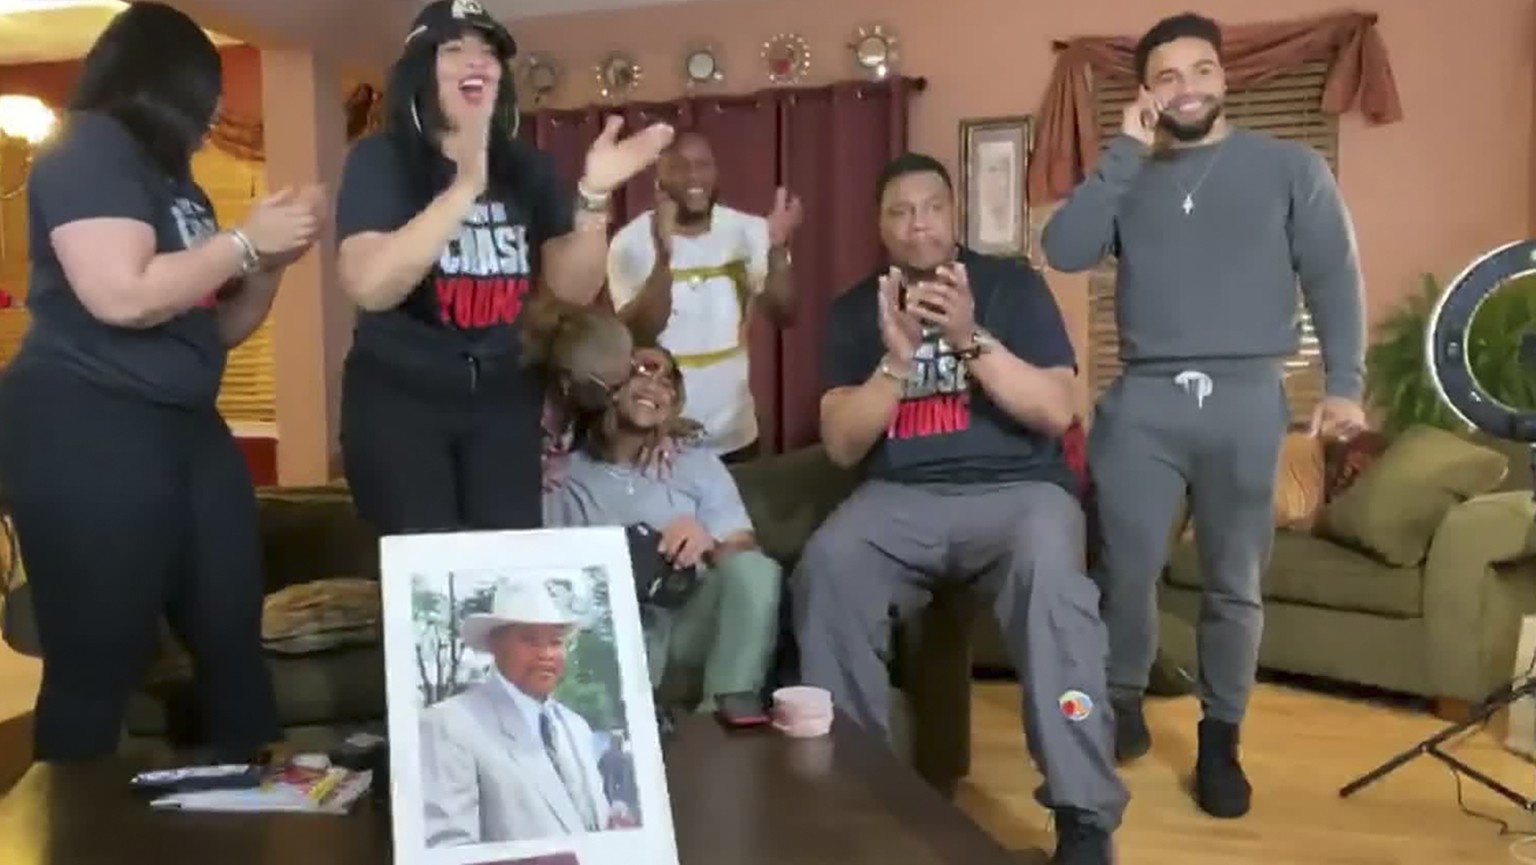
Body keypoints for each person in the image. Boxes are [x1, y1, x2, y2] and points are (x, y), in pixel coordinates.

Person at [1040, 12, 1367, 820]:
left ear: (1225, 78)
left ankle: (1221, 736)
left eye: (1202, 70)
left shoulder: (1289, 166)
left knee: (1234, 583)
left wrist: (1345, 381)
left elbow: (1333, 276)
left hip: (1249, 399)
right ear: (1146, 93)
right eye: (1168, 76)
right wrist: (1121, 151)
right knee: (1124, 569)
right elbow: (1066, 249)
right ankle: (1120, 703)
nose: (1188, 87)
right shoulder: (1126, 170)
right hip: (1143, 403)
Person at [0, 2, 323, 761]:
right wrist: (245, 242)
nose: (217, 110)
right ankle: (69, 833)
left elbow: (206, 329)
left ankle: (256, 814)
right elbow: (123, 293)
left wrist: (270, 259)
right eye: (210, 88)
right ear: (170, 80)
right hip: (85, 426)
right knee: (96, 659)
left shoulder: (179, 185)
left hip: (184, 426)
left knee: (231, 633)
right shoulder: (88, 149)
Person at [794, 152, 1126, 865]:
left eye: (931, 207)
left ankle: (1084, 813)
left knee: (1055, 590)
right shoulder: (856, 311)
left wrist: (969, 338)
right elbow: (844, 445)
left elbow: (1056, 409)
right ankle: (861, 798)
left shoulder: (1011, 286)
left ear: (954, 215)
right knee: (827, 565)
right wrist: (897, 360)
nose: (918, 223)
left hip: (1018, 495)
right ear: (880, 226)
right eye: (899, 211)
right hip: (901, 499)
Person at [334, 0, 672, 535]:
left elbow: (571, 290)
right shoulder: (383, 160)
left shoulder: (526, 168)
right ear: (422, 68)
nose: (476, 61)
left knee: (505, 573)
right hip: (400, 402)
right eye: (455, 48)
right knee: (426, 580)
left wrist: (592, 197)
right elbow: (371, 286)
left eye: (488, 51)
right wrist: (466, 183)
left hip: (502, 399)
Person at [545, 345, 782, 711]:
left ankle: (720, 723)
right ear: (609, 384)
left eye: (667, 381)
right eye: (642, 370)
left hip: (686, 622)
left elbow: (746, 554)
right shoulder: (563, 474)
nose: (655, 384)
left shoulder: (698, 465)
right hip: (605, 632)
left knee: (757, 571)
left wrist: (707, 541)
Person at [606, 131, 803, 461]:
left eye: (703, 165)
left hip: (735, 434)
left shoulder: (749, 230)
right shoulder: (630, 243)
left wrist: (777, 249)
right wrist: (664, 257)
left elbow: (785, 314)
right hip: (660, 436)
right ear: (660, 175)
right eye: (680, 166)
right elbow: (637, 333)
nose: (694, 176)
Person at [419, 572, 620, 845]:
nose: (547, 654)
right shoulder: (450, 723)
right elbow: (449, 847)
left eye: (555, 642)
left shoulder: (576, 727)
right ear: (494, 645)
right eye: (530, 640)